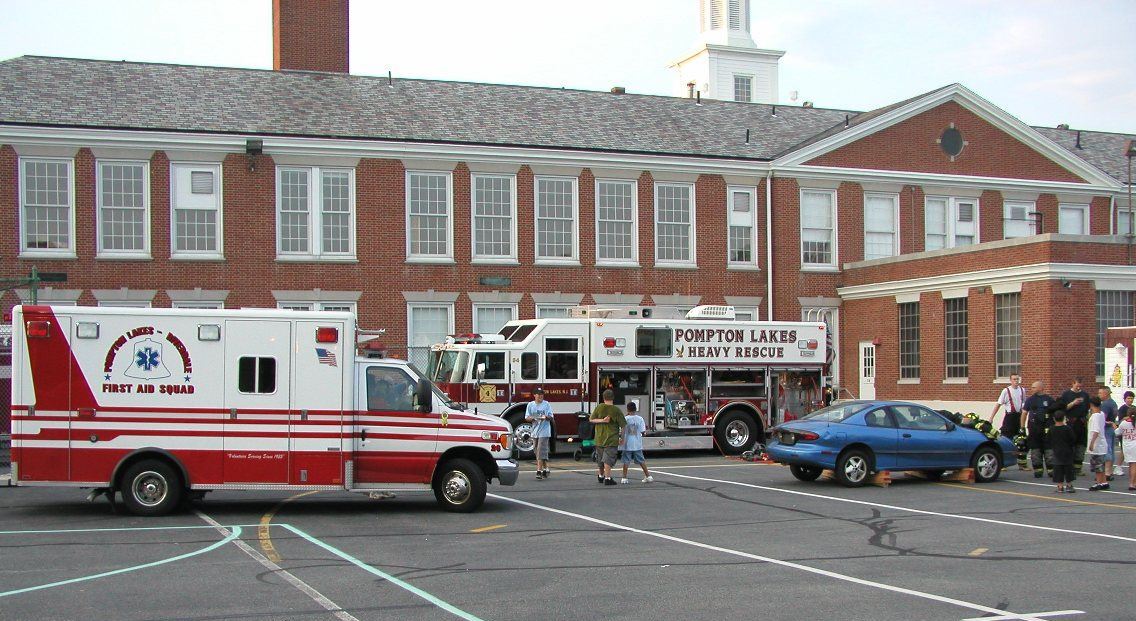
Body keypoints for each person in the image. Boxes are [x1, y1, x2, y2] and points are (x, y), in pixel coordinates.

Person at [591, 389, 626, 486]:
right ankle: (608, 478)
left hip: (599, 438)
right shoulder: (616, 410)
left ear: (603, 397)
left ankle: (601, 475)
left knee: (600, 459)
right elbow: (623, 426)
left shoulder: (599, 407)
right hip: (611, 439)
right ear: (613, 398)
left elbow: (591, 419)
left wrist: (602, 420)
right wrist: (622, 438)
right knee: (608, 459)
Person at [1021, 381, 1054, 478]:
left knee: (1049, 451)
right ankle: (1038, 470)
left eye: (1034, 387)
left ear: (1041, 388)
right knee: (1035, 451)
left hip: (1047, 430)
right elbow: (1024, 413)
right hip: (1034, 429)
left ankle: (1051, 470)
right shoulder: (1030, 400)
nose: (1032, 389)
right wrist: (1022, 428)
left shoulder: (1049, 400)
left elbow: (1055, 413)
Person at [1059, 378, 1091, 475]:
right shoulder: (1066, 394)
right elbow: (1062, 409)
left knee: (1080, 446)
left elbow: (1089, 409)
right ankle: (1069, 468)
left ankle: (1078, 469)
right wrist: (1073, 403)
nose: (1078, 387)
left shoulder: (1085, 395)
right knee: (1070, 446)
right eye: (1077, 385)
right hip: (1070, 424)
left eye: (1080, 386)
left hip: (1081, 424)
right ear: (1072, 384)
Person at [619, 401, 653, 484]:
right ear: (636, 409)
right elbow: (643, 431)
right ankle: (648, 476)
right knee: (641, 460)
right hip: (637, 443)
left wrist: (621, 439)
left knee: (626, 461)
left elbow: (622, 431)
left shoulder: (625, 418)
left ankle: (624, 478)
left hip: (627, 444)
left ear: (627, 409)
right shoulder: (640, 418)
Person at [526, 388, 553, 480]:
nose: (540, 396)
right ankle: (546, 468)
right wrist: (533, 418)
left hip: (544, 431)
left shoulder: (546, 404)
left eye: (542, 394)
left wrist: (545, 417)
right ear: (534, 395)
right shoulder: (530, 405)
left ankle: (539, 471)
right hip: (535, 431)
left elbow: (551, 417)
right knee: (536, 450)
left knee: (540, 450)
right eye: (538, 394)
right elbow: (527, 417)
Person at [991, 374, 1026, 445]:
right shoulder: (1006, 391)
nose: (1016, 381)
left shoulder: (1022, 390)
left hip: (1019, 416)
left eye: (1017, 379)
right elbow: (998, 404)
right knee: (1006, 436)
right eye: (1014, 379)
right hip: (1009, 417)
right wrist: (991, 417)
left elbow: (1024, 403)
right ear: (1010, 380)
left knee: (1019, 437)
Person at [1048, 410, 1076, 493]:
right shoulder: (1067, 428)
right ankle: (1069, 485)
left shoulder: (1052, 429)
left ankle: (1060, 486)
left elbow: (1048, 439)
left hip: (1057, 451)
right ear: (1064, 418)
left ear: (1054, 419)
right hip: (1067, 451)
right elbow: (1073, 439)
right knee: (1068, 468)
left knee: (1058, 468)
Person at [1086, 397, 1109, 491]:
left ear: (1091, 405)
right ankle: (1104, 482)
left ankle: (1098, 482)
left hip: (1097, 444)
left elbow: (1095, 431)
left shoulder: (1095, 416)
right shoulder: (1101, 414)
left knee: (1097, 465)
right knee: (1101, 464)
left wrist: (1091, 443)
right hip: (1102, 443)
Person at [1098, 386, 1119, 480]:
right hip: (1111, 428)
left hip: (1106, 428)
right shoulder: (1113, 403)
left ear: (1106, 394)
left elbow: (1103, 418)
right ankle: (1110, 471)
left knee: (1107, 450)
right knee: (1111, 449)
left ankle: (1107, 473)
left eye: (1100, 393)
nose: (1099, 395)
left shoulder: (1105, 405)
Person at [1117, 392, 1136, 490]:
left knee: (1131, 465)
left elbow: (1117, 432)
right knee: (1133, 465)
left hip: (1128, 444)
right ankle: (1132, 483)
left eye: (1132, 398)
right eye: (1128, 398)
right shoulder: (1122, 409)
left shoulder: (1124, 424)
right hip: (1133, 445)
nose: (1130, 400)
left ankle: (1132, 483)